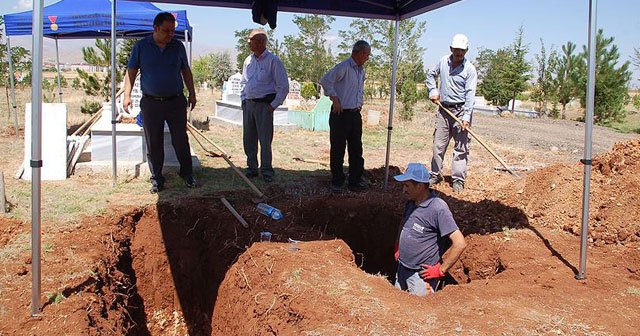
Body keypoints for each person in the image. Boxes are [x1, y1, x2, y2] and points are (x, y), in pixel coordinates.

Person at [123, 12, 197, 193]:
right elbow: (131, 71)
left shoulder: (178, 46)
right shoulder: (141, 46)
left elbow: (186, 71)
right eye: (166, 31)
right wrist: (127, 95)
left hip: (176, 102)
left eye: (173, 31)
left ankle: (187, 173)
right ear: (155, 28)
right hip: (151, 104)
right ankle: (157, 177)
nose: (170, 34)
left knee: (180, 140)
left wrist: (192, 93)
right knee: (154, 142)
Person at [393, 163, 467, 296]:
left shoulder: (438, 208)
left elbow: (460, 243)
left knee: (419, 311)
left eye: (407, 186)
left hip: (420, 276)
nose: (403, 190)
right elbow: (403, 224)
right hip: (402, 268)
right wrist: (398, 246)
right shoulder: (411, 202)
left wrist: (441, 270)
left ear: (420, 186)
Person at [425, 33, 478, 192]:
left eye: (462, 50)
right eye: (456, 50)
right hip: (443, 110)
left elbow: (470, 94)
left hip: (461, 111)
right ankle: (435, 174)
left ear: (466, 51)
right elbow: (430, 75)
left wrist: (466, 117)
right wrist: (433, 91)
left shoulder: (470, 69)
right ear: (451, 49)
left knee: (461, 148)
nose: (459, 53)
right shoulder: (442, 62)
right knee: (438, 145)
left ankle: (458, 180)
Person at [320, 40, 371, 193]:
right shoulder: (344, 67)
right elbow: (326, 80)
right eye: (367, 54)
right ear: (359, 53)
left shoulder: (361, 71)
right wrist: (334, 98)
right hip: (340, 114)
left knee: (356, 149)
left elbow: (357, 90)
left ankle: (355, 180)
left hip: (355, 114)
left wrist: (359, 103)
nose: (368, 58)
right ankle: (337, 181)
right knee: (338, 148)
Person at [240, 29, 289, 183]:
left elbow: (283, 86)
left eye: (251, 40)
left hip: (264, 106)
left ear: (261, 42)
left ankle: (266, 171)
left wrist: (273, 105)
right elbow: (244, 82)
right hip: (249, 104)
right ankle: (252, 168)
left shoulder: (273, 61)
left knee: (265, 140)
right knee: (249, 139)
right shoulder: (248, 60)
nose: (248, 42)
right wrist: (243, 100)